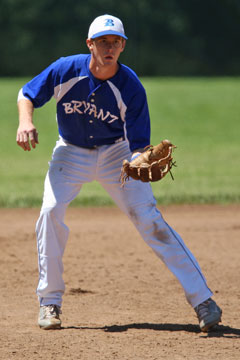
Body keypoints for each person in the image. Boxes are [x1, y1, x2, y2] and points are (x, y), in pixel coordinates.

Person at [16, 14, 222, 332]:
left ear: (123, 46)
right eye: (102, 42)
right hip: (70, 153)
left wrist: (139, 160)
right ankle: (49, 301)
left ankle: (203, 300)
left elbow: (139, 145)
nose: (109, 47)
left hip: (116, 154)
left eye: (115, 42)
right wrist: (25, 122)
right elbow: (27, 94)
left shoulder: (130, 87)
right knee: (50, 212)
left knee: (149, 219)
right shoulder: (65, 70)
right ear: (90, 45)